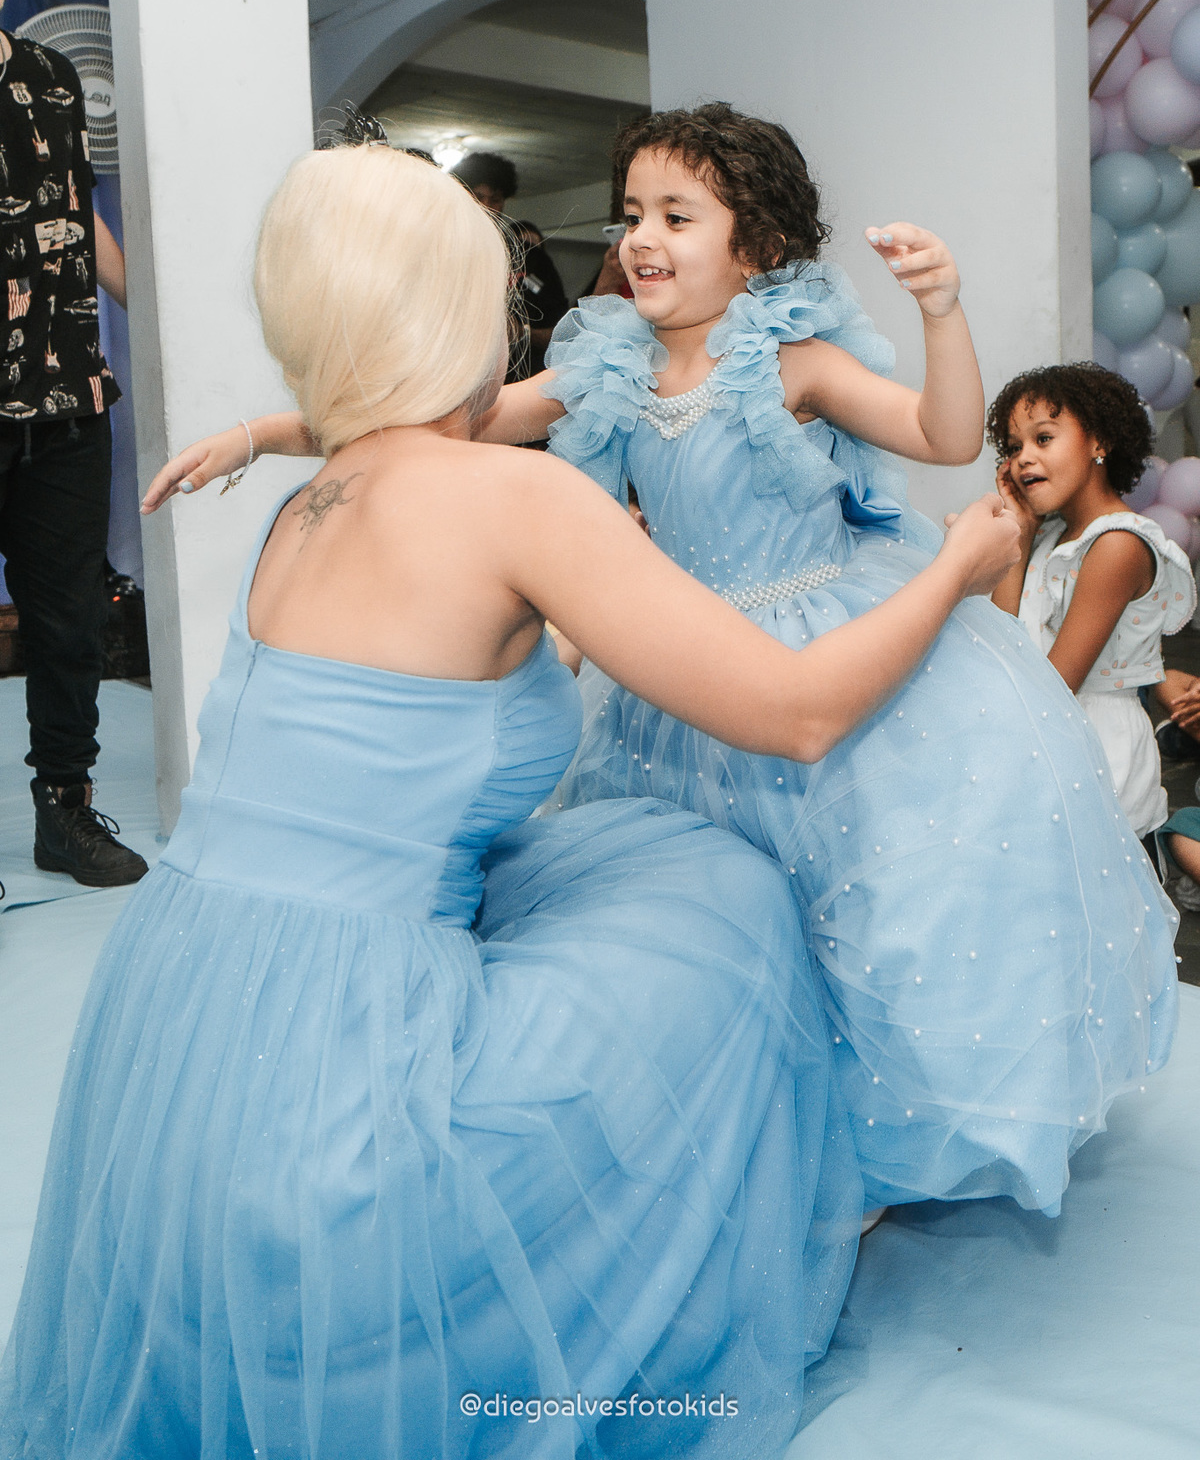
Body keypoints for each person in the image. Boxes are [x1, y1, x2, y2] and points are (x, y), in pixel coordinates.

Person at [0, 139, 1024, 1456]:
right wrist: (954, 569)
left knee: (631, 862)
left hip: (175, 1021)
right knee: (724, 907)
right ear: (461, 313)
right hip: (346, 1062)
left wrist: (262, 436)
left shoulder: (306, 502)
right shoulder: (515, 497)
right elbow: (802, 714)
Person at [146, 103, 1180, 1220]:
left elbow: (939, 432)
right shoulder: (610, 365)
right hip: (684, 662)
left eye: (677, 216)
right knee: (727, 918)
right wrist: (264, 433)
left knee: (856, 915)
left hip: (818, 634)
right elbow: (436, 419)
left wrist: (941, 310)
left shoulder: (792, 360)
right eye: (632, 213)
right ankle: (778, 1124)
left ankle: (865, 1146)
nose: (641, 237)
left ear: (757, 245)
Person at [0, 0, 144, 887]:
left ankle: (66, 811)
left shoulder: (51, 76)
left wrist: (154, 317)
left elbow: (75, 212)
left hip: (63, 394)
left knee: (69, 620)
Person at [989, 363, 1196, 841]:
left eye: (1043, 438)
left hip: (1096, 751)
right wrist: (1021, 530)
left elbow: (1057, 684)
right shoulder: (1051, 538)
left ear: (1098, 442)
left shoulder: (1117, 545)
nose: (1023, 458)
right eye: (1014, 447)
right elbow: (1002, 639)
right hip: (1040, 731)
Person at [506, 219, 569, 376]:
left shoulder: (547, 281)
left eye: (535, 248)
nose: (528, 253)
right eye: (521, 246)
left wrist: (523, 333)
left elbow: (562, 335)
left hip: (533, 371)